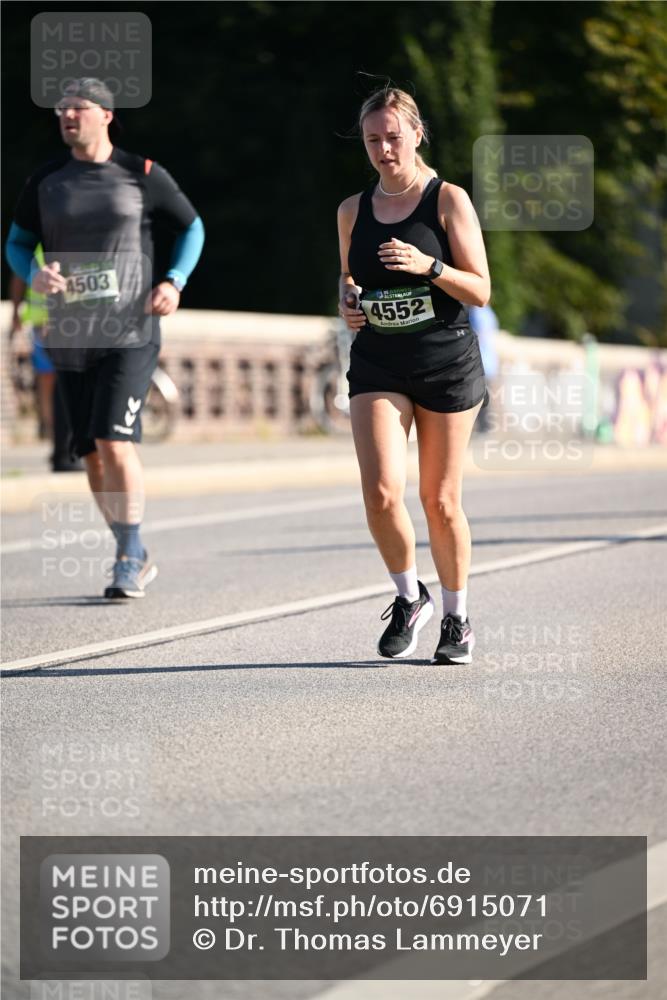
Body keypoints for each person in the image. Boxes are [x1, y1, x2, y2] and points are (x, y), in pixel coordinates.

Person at [5, 78, 204, 598]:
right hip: (70, 333)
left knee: (115, 440)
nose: (68, 115)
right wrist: (34, 273)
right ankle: (129, 545)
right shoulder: (47, 179)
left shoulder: (141, 173)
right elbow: (17, 242)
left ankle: (128, 553)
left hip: (131, 330)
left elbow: (192, 227)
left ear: (106, 115)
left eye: (79, 107)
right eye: (62, 108)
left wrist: (174, 280)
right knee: (90, 451)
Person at [337, 86, 490, 664]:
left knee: (440, 500)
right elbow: (347, 281)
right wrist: (349, 304)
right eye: (373, 140)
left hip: (445, 364)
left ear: (416, 134)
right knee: (379, 494)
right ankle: (409, 597)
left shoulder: (447, 200)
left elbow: (480, 289)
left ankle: (457, 618)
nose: (383, 149)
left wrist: (430, 266)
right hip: (378, 359)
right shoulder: (352, 210)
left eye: (393, 137)